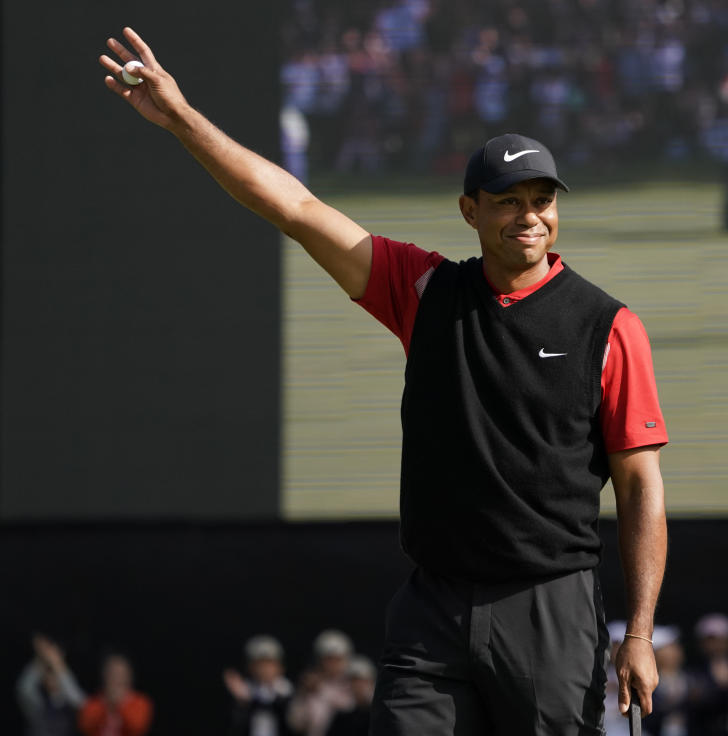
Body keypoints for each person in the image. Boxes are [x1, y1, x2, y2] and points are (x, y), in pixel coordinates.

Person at [99, 26, 668, 735]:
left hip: (548, 606)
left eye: (541, 199)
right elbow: (296, 208)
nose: (530, 216)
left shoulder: (608, 326)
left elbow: (640, 485)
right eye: (508, 200)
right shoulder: (425, 291)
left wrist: (639, 633)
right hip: (434, 606)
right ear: (470, 211)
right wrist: (181, 117)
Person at [223, 635, 295, 736]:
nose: (265, 669)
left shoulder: (288, 690)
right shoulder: (243, 688)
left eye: (269, 663)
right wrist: (241, 704)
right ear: (250, 666)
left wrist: (249, 701)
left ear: (280, 666)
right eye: (260, 664)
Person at [16, 635, 86, 736]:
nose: (51, 676)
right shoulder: (38, 702)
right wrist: (42, 657)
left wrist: (58, 665)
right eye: (48, 672)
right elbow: (24, 688)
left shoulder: (70, 702)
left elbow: (81, 703)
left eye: (54, 672)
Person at [287, 630, 354, 736]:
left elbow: (349, 708)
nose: (333, 664)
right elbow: (295, 723)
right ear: (319, 659)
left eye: (337, 659)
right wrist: (303, 694)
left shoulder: (354, 683)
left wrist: (320, 689)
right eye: (329, 659)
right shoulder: (309, 686)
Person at [76, 654, 153, 736]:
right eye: (112, 673)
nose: (116, 678)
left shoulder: (140, 702)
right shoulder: (94, 702)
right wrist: (106, 705)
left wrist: (120, 704)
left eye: (120, 674)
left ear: (129, 676)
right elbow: (85, 726)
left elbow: (137, 727)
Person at [326, 656, 377, 736]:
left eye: (362, 681)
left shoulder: (380, 714)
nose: (357, 685)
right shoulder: (342, 717)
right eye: (353, 681)